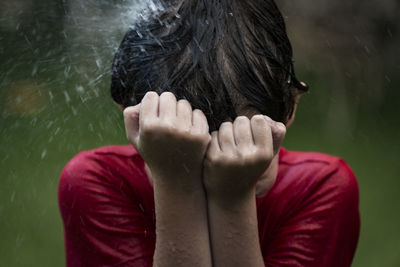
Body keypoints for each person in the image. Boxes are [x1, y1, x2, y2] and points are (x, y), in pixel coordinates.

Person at [58, 0, 360, 266]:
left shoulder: (321, 189)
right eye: (188, 149)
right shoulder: (94, 183)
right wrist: (177, 184)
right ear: (135, 119)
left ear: (291, 106)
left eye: (243, 138)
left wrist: (232, 197)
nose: (224, 162)